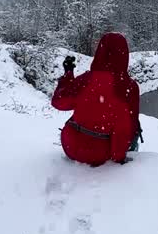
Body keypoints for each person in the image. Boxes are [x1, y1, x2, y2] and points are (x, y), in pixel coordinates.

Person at [51, 32, 143, 166]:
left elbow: (59, 102)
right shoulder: (128, 87)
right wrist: (119, 159)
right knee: (133, 124)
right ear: (124, 55)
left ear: (100, 51)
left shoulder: (85, 79)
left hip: (70, 146)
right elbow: (124, 127)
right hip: (100, 153)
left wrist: (68, 75)